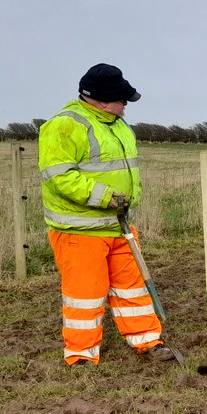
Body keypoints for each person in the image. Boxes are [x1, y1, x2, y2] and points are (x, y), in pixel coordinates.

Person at [38, 64, 176, 365]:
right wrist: (106, 197)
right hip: (80, 231)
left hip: (119, 225)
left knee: (133, 288)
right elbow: (59, 177)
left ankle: (148, 341)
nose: (125, 104)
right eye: (121, 99)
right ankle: (81, 355)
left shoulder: (118, 125)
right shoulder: (64, 125)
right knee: (85, 296)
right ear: (101, 100)